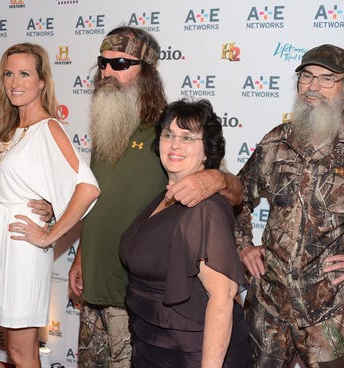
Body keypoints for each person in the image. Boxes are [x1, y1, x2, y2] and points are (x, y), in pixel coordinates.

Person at [68, 26, 244, 367]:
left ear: (146, 73)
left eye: (120, 63)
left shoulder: (165, 131)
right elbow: (99, 202)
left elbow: (235, 191)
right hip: (94, 287)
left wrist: (214, 176)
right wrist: (79, 257)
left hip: (137, 301)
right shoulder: (106, 124)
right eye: (102, 63)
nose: (107, 71)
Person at [0, 42, 100, 368]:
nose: (15, 82)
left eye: (25, 73)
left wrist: (49, 236)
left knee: (21, 353)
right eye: (9, 73)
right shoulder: (7, 129)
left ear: (42, 82)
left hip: (23, 247)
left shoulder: (49, 127)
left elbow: (88, 188)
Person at [235, 44, 344, 367]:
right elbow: (235, 197)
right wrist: (242, 245)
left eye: (327, 79)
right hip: (268, 309)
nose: (314, 87)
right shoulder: (275, 142)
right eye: (307, 77)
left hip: (330, 316)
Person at [119, 99, 251, 368]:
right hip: (153, 344)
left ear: (207, 151)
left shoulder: (204, 209)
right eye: (169, 135)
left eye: (188, 137)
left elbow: (222, 298)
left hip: (189, 352)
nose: (175, 144)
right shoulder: (165, 196)